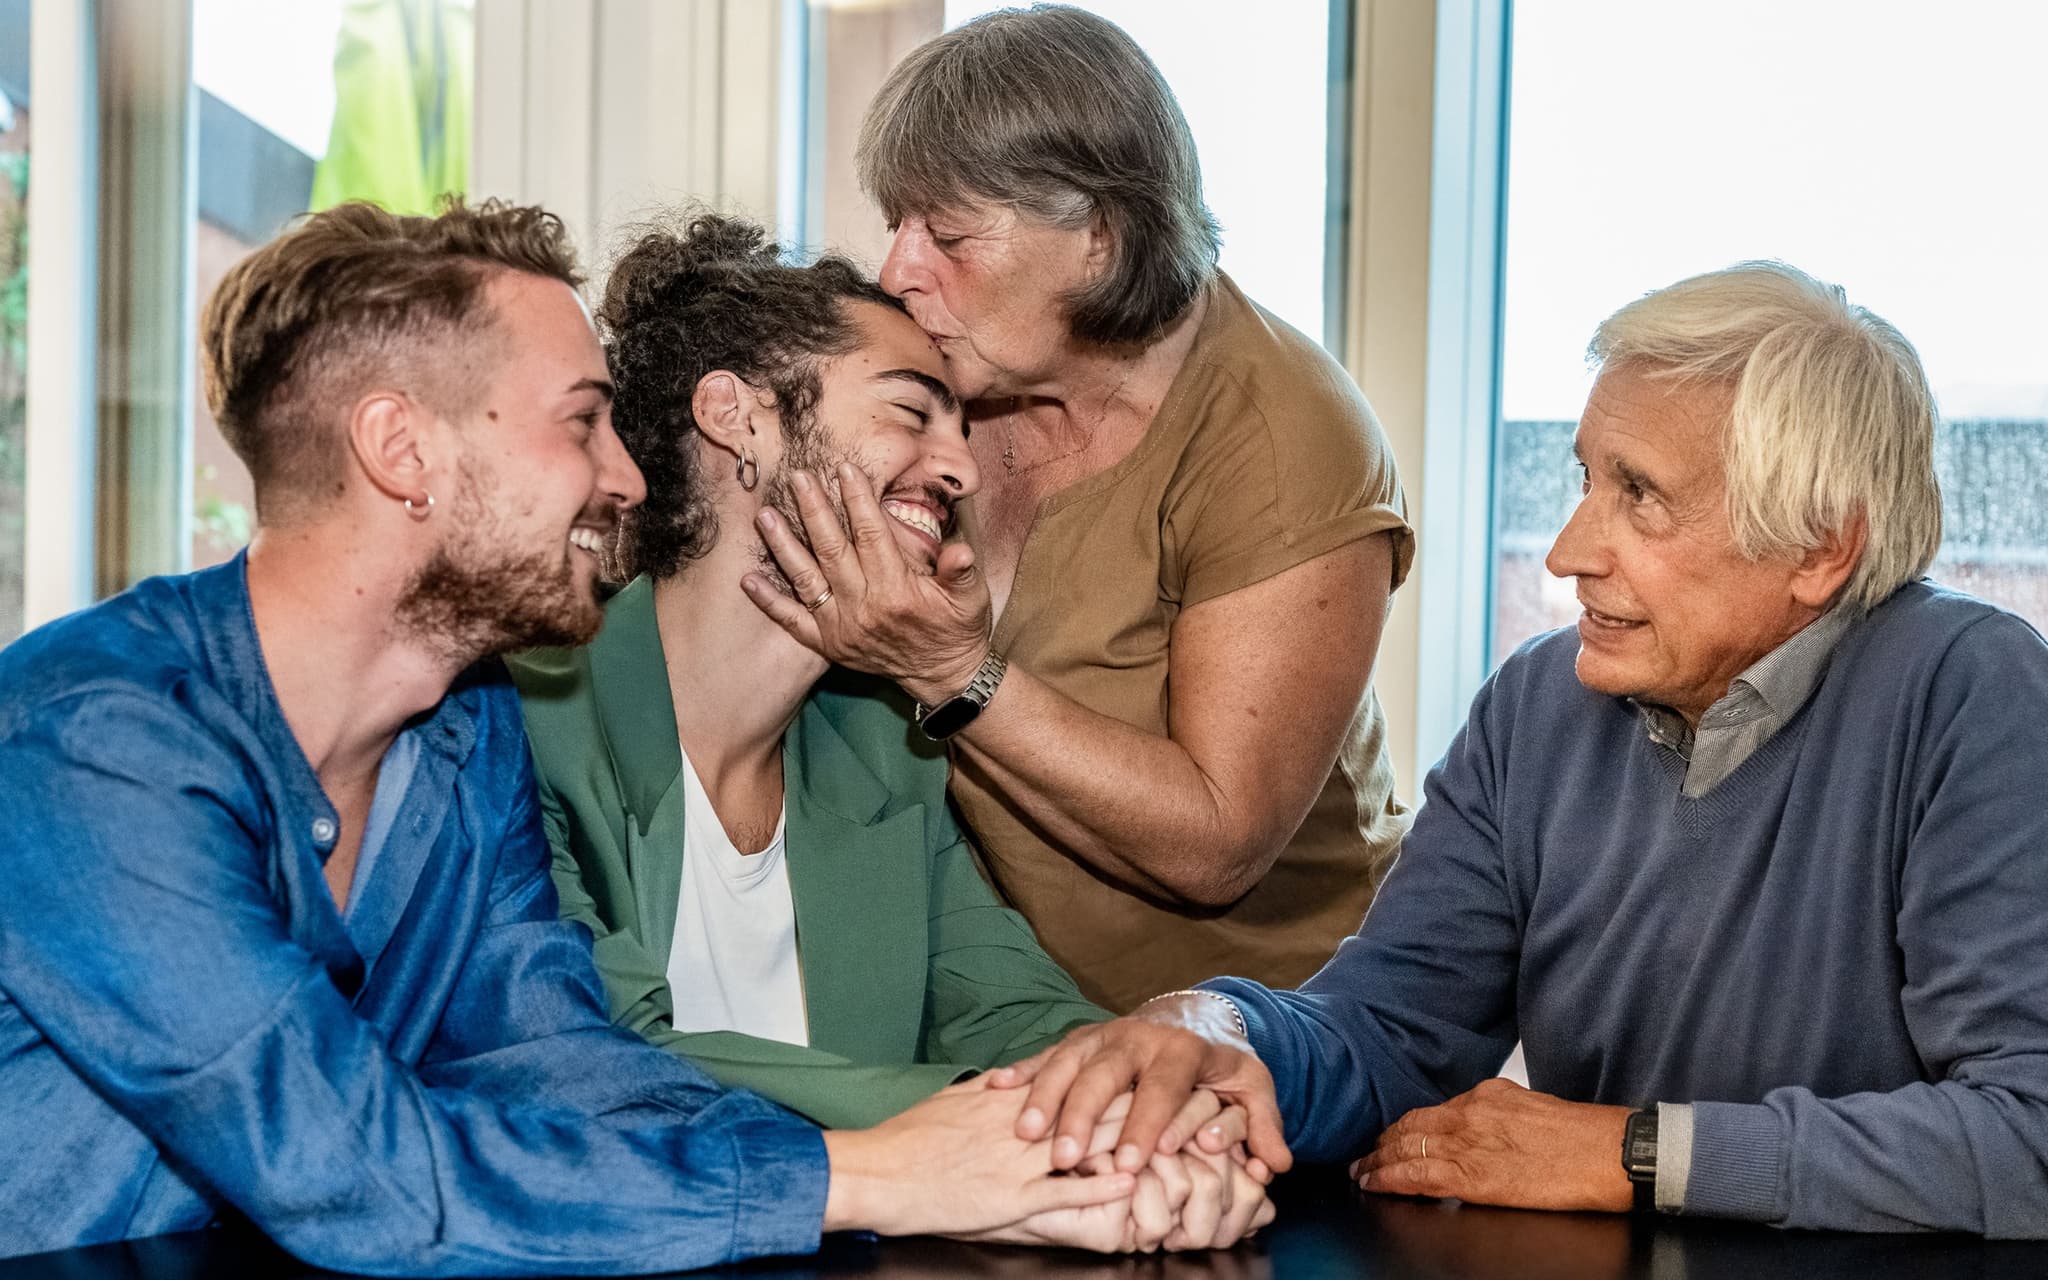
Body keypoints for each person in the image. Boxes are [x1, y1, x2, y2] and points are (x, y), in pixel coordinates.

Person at [0, 199, 1221, 1270]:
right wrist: (878, 1175)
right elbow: (354, 1163)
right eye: (581, 421)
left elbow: (568, 1062)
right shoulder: (96, 740)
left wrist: (1052, 1153)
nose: (629, 478)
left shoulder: (465, 735)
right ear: (400, 449)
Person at [976, 262, 2048, 1238]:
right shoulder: (1539, 701)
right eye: (1585, 480)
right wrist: (1225, 1030)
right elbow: (1394, 1028)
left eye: (1639, 496)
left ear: (1819, 547)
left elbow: (2028, 1133)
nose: (1566, 553)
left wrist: (1634, 1152)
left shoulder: (1973, 690)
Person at [741, 4, 1415, 1013]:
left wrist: (953, 673)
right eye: (898, 225)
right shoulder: (945, 373)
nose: (897, 271)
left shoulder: (1285, 435)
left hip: (1276, 1022)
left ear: (1099, 236)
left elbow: (1218, 843)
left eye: (948, 235)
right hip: (1010, 1006)